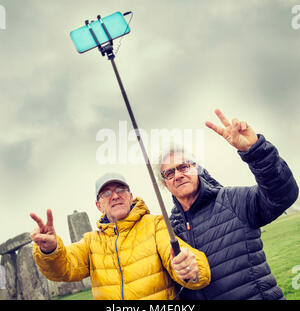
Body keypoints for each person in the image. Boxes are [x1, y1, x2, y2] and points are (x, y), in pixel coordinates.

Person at [157, 109, 299, 300]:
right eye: (169, 173)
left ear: (197, 168)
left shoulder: (232, 200)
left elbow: (282, 195)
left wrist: (255, 150)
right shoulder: (168, 230)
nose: (178, 175)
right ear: (164, 183)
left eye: (184, 167)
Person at [30, 173, 211, 300]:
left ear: (131, 196)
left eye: (121, 189)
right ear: (99, 205)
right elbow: (65, 268)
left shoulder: (155, 224)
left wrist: (190, 268)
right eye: (106, 193)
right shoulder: (91, 241)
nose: (115, 196)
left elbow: (187, 262)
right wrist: (50, 250)